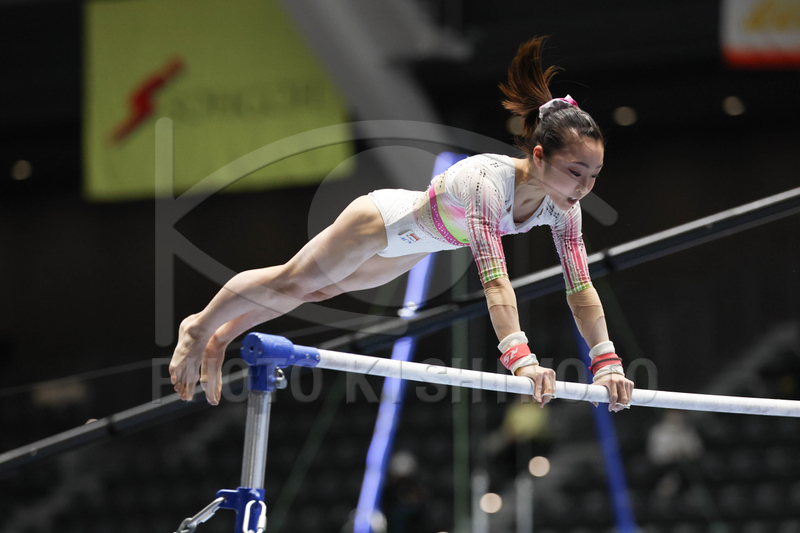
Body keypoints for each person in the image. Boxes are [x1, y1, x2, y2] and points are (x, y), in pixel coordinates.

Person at [168, 36, 635, 411]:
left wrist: (607, 361)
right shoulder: (487, 184)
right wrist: (521, 359)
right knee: (293, 280)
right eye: (576, 172)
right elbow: (495, 282)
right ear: (539, 155)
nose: (584, 187)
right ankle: (198, 327)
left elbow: (581, 289)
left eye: (594, 174)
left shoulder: (563, 208)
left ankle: (222, 336)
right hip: (381, 220)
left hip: (417, 244)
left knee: (313, 292)